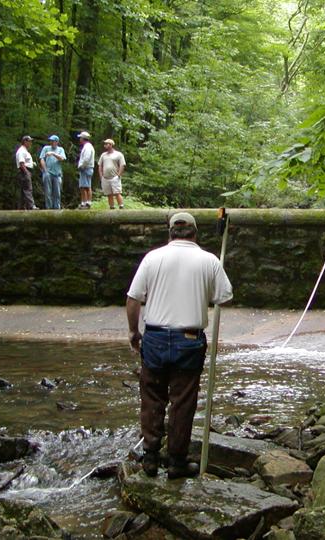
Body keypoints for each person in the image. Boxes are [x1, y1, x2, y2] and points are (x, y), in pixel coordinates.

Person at [126, 212, 233, 479]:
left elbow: (133, 298)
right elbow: (224, 296)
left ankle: (150, 458)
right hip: (189, 339)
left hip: (155, 337)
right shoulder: (209, 260)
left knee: (152, 398)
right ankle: (176, 462)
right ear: (195, 233)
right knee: (182, 403)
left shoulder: (153, 258)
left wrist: (132, 331)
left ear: (170, 232)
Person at [39, 135, 67, 209]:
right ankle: (49, 208)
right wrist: (45, 170)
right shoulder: (46, 148)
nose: (51, 142)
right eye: (50, 141)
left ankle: (56, 208)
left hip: (57, 174)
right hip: (48, 173)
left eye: (53, 141)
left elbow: (62, 158)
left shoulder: (61, 149)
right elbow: (42, 159)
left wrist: (53, 154)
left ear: (57, 142)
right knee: (48, 192)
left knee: (57, 193)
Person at [98, 138, 126, 209]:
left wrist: (119, 175)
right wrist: (101, 176)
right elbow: (100, 165)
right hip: (105, 178)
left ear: (111, 145)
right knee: (109, 194)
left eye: (106, 144)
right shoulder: (103, 155)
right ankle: (111, 207)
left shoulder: (118, 154)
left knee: (117, 192)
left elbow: (122, 165)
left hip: (114, 177)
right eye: (105, 144)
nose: (105, 145)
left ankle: (121, 206)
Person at [15, 135, 37, 210]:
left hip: (25, 170)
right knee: (28, 189)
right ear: (25, 142)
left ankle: (21, 208)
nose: (31, 143)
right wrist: (26, 173)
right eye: (29, 141)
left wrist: (32, 164)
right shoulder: (21, 151)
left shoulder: (25, 151)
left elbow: (26, 161)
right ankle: (31, 206)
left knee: (22, 191)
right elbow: (21, 163)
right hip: (24, 171)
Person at [76, 131, 95, 209]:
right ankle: (86, 202)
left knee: (84, 186)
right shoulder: (88, 146)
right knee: (86, 186)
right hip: (88, 168)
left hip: (86, 168)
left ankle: (85, 203)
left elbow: (86, 159)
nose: (79, 139)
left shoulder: (87, 147)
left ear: (83, 138)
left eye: (80, 138)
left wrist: (81, 166)